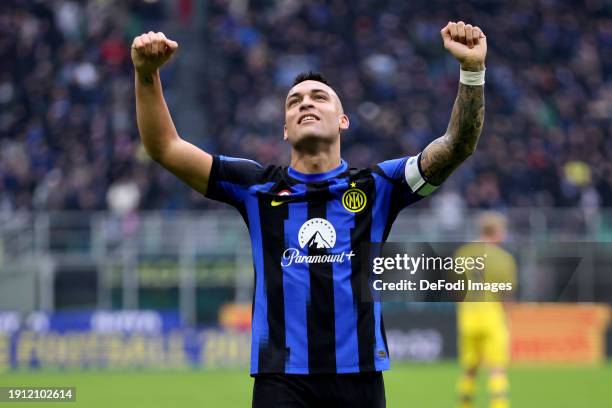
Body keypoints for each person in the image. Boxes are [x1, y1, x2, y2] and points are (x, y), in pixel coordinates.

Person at [131, 20, 487, 408]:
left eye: (319, 97)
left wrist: (472, 71)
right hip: (281, 380)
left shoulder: (378, 186)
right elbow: (164, 147)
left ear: (342, 120)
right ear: (285, 128)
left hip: (360, 378)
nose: (305, 103)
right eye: (294, 101)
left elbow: (457, 146)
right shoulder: (257, 187)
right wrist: (146, 74)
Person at [455, 212, 517, 408]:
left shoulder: (462, 254)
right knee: (497, 370)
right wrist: (508, 318)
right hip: (492, 317)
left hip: (468, 318)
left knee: (469, 369)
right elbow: (507, 294)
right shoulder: (504, 258)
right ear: (496, 231)